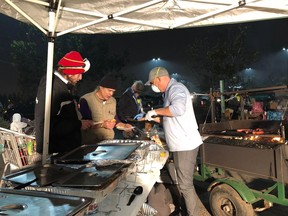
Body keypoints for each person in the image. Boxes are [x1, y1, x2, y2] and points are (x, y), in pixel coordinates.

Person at [145, 66, 203, 216]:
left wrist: (155, 110)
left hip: (185, 144)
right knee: (184, 183)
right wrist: (157, 118)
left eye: (153, 83)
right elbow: (174, 117)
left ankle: (193, 214)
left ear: (159, 78)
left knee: (185, 185)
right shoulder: (170, 91)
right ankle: (186, 211)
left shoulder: (176, 88)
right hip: (180, 144)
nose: (154, 86)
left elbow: (177, 109)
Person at [34, 51, 94, 156]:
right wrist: (79, 124)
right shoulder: (54, 88)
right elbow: (48, 125)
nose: (80, 78)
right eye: (79, 73)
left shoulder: (60, 85)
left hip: (64, 149)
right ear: (69, 72)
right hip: (57, 152)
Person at [79, 74, 132, 144]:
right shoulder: (86, 100)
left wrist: (124, 126)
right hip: (91, 143)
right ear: (101, 87)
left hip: (109, 142)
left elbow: (115, 120)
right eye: (109, 90)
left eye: (113, 91)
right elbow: (84, 125)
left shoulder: (113, 101)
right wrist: (102, 125)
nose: (111, 94)